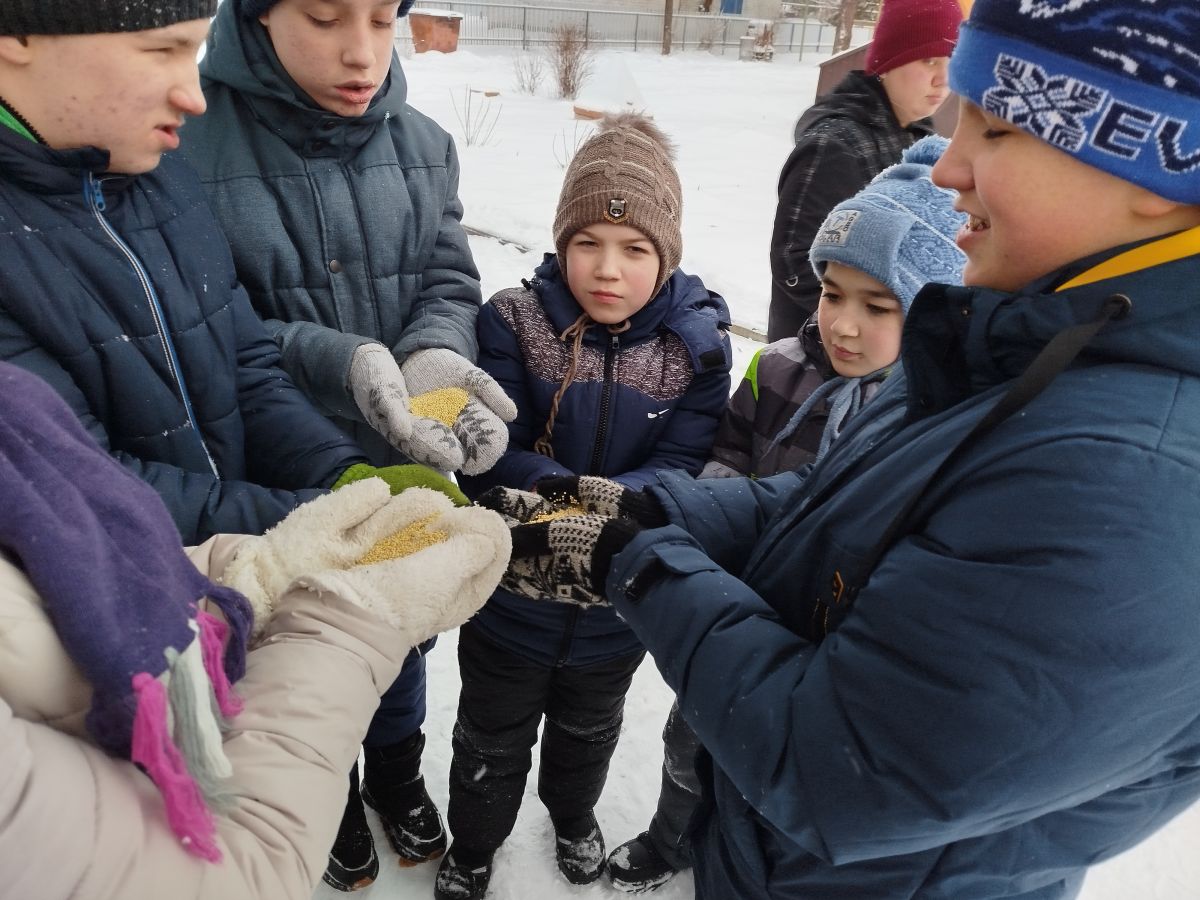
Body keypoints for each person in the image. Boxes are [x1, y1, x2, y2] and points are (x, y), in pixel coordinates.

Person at [486, 0, 1200, 896]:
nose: (950, 165)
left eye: (1000, 129)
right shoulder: (1035, 343)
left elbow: (843, 768)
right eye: (956, 118)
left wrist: (639, 562)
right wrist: (644, 510)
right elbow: (839, 510)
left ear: (1159, 167)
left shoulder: (1134, 478)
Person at [178, 1, 514, 886]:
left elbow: (446, 273)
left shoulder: (427, 143)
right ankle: (332, 786)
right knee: (307, 641)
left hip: (408, 460)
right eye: (326, 17)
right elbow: (214, 322)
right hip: (277, 466)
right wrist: (339, 361)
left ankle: (397, 771)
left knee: (399, 638)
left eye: (380, 16)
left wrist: (434, 353)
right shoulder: (187, 140)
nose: (361, 52)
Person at [0, 360, 511, 900]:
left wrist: (266, 567)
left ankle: (391, 780)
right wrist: (350, 619)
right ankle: (337, 802)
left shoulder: (15, 407)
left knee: (397, 686)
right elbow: (233, 874)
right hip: (214, 744)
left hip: (221, 583)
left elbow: (247, 364)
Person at [605, 134, 966, 893]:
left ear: (937, 313)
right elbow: (730, 454)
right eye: (833, 293)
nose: (843, 324)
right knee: (691, 743)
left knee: (764, 783)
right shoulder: (780, 366)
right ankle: (674, 838)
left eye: (880, 305)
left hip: (818, 650)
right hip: (729, 605)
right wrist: (693, 520)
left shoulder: (928, 424)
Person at [0, 0, 464, 550]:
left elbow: (243, 367)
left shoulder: (158, 180)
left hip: (244, 579)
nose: (191, 96)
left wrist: (344, 477)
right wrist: (330, 523)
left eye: (191, 51)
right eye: (160, 51)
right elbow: (78, 487)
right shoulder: (183, 154)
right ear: (20, 34)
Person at [437, 113, 732, 900]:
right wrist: (570, 494)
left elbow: (683, 463)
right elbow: (490, 447)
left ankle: (572, 817)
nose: (608, 269)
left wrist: (618, 515)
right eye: (588, 243)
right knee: (489, 735)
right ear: (562, 240)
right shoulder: (514, 321)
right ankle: (474, 844)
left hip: (615, 606)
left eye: (635, 249)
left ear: (665, 253)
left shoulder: (694, 347)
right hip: (509, 595)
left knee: (588, 730)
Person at [768, 0, 963, 342]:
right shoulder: (834, 144)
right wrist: (879, 323)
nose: (942, 78)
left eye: (952, 60)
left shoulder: (919, 139)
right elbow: (794, 262)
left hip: (887, 364)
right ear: (889, 60)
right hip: (821, 362)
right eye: (929, 59)